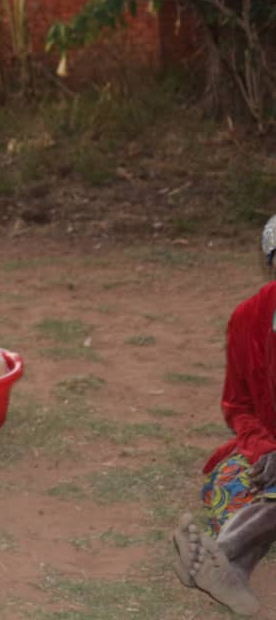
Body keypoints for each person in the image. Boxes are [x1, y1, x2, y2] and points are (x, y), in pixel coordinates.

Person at [172, 214, 276, 616]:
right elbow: (238, 404)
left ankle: (225, 554)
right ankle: (231, 569)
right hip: (268, 449)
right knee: (229, 481)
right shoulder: (248, 318)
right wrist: (266, 448)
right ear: (270, 263)